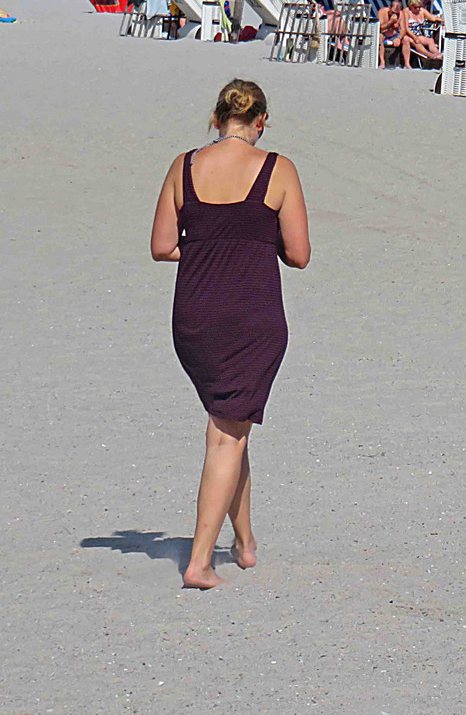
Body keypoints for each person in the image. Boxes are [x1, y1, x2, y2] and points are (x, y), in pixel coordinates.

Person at [149, 80, 310, 589]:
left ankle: (244, 543)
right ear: (261, 122)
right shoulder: (277, 169)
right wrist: (254, 245)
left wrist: (208, 250)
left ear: (216, 118)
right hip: (251, 316)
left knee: (229, 425)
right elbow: (300, 254)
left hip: (194, 316)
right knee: (226, 434)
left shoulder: (184, 166)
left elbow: (161, 246)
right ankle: (199, 562)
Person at [403, 0, 443, 66]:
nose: (417, 9)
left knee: (430, 40)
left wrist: (441, 20)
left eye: (419, 7)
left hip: (418, 34)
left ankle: (438, 54)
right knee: (416, 42)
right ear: (411, 6)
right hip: (408, 34)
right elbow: (406, 28)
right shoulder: (406, 11)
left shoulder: (422, 11)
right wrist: (414, 37)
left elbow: (432, 17)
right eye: (415, 7)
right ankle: (430, 55)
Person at [377, 0, 407, 68]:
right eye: (393, 12)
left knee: (406, 39)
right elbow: (380, 28)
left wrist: (399, 38)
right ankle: (382, 62)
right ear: (389, 7)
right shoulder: (382, 12)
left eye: (397, 13)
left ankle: (406, 63)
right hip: (384, 34)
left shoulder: (402, 14)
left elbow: (403, 29)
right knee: (379, 37)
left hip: (394, 34)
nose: (394, 15)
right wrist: (390, 22)